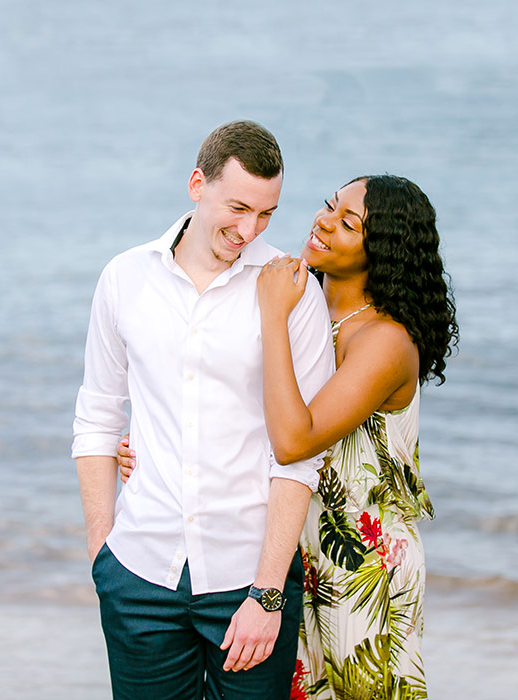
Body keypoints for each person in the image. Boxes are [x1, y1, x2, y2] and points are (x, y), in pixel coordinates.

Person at [120, 174, 457, 699]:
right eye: (329, 205)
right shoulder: (310, 304)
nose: (324, 221)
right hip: (284, 553)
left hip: (359, 563)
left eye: (348, 223)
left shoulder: (385, 340)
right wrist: (152, 451)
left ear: (382, 252)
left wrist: (272, 315)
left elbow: (295, 441)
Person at [71, 120, 335, 700]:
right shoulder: (125, 278)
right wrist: (103, 554)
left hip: (248, 581)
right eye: (238, 207)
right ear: (198, 184)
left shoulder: (292, 292)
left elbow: (299, 456)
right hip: (138, 574)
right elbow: (96, 419)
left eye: (266, 214)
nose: (249, 229)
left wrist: (268, 593)